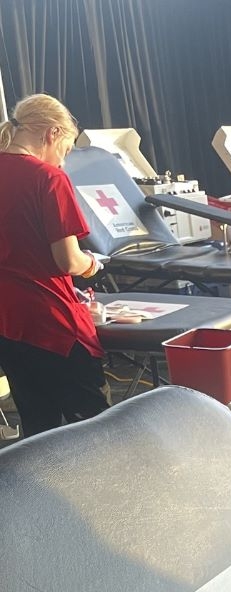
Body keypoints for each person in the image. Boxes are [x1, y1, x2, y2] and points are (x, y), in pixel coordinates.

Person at [0, 93, 109, 438]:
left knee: (37, 431)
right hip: (52, 323)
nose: (64, 160)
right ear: (52, 133)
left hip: (9, 324)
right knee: (95, 429)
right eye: (66, 148)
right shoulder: (48, 178)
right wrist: (92, 264)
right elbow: (67, 260)